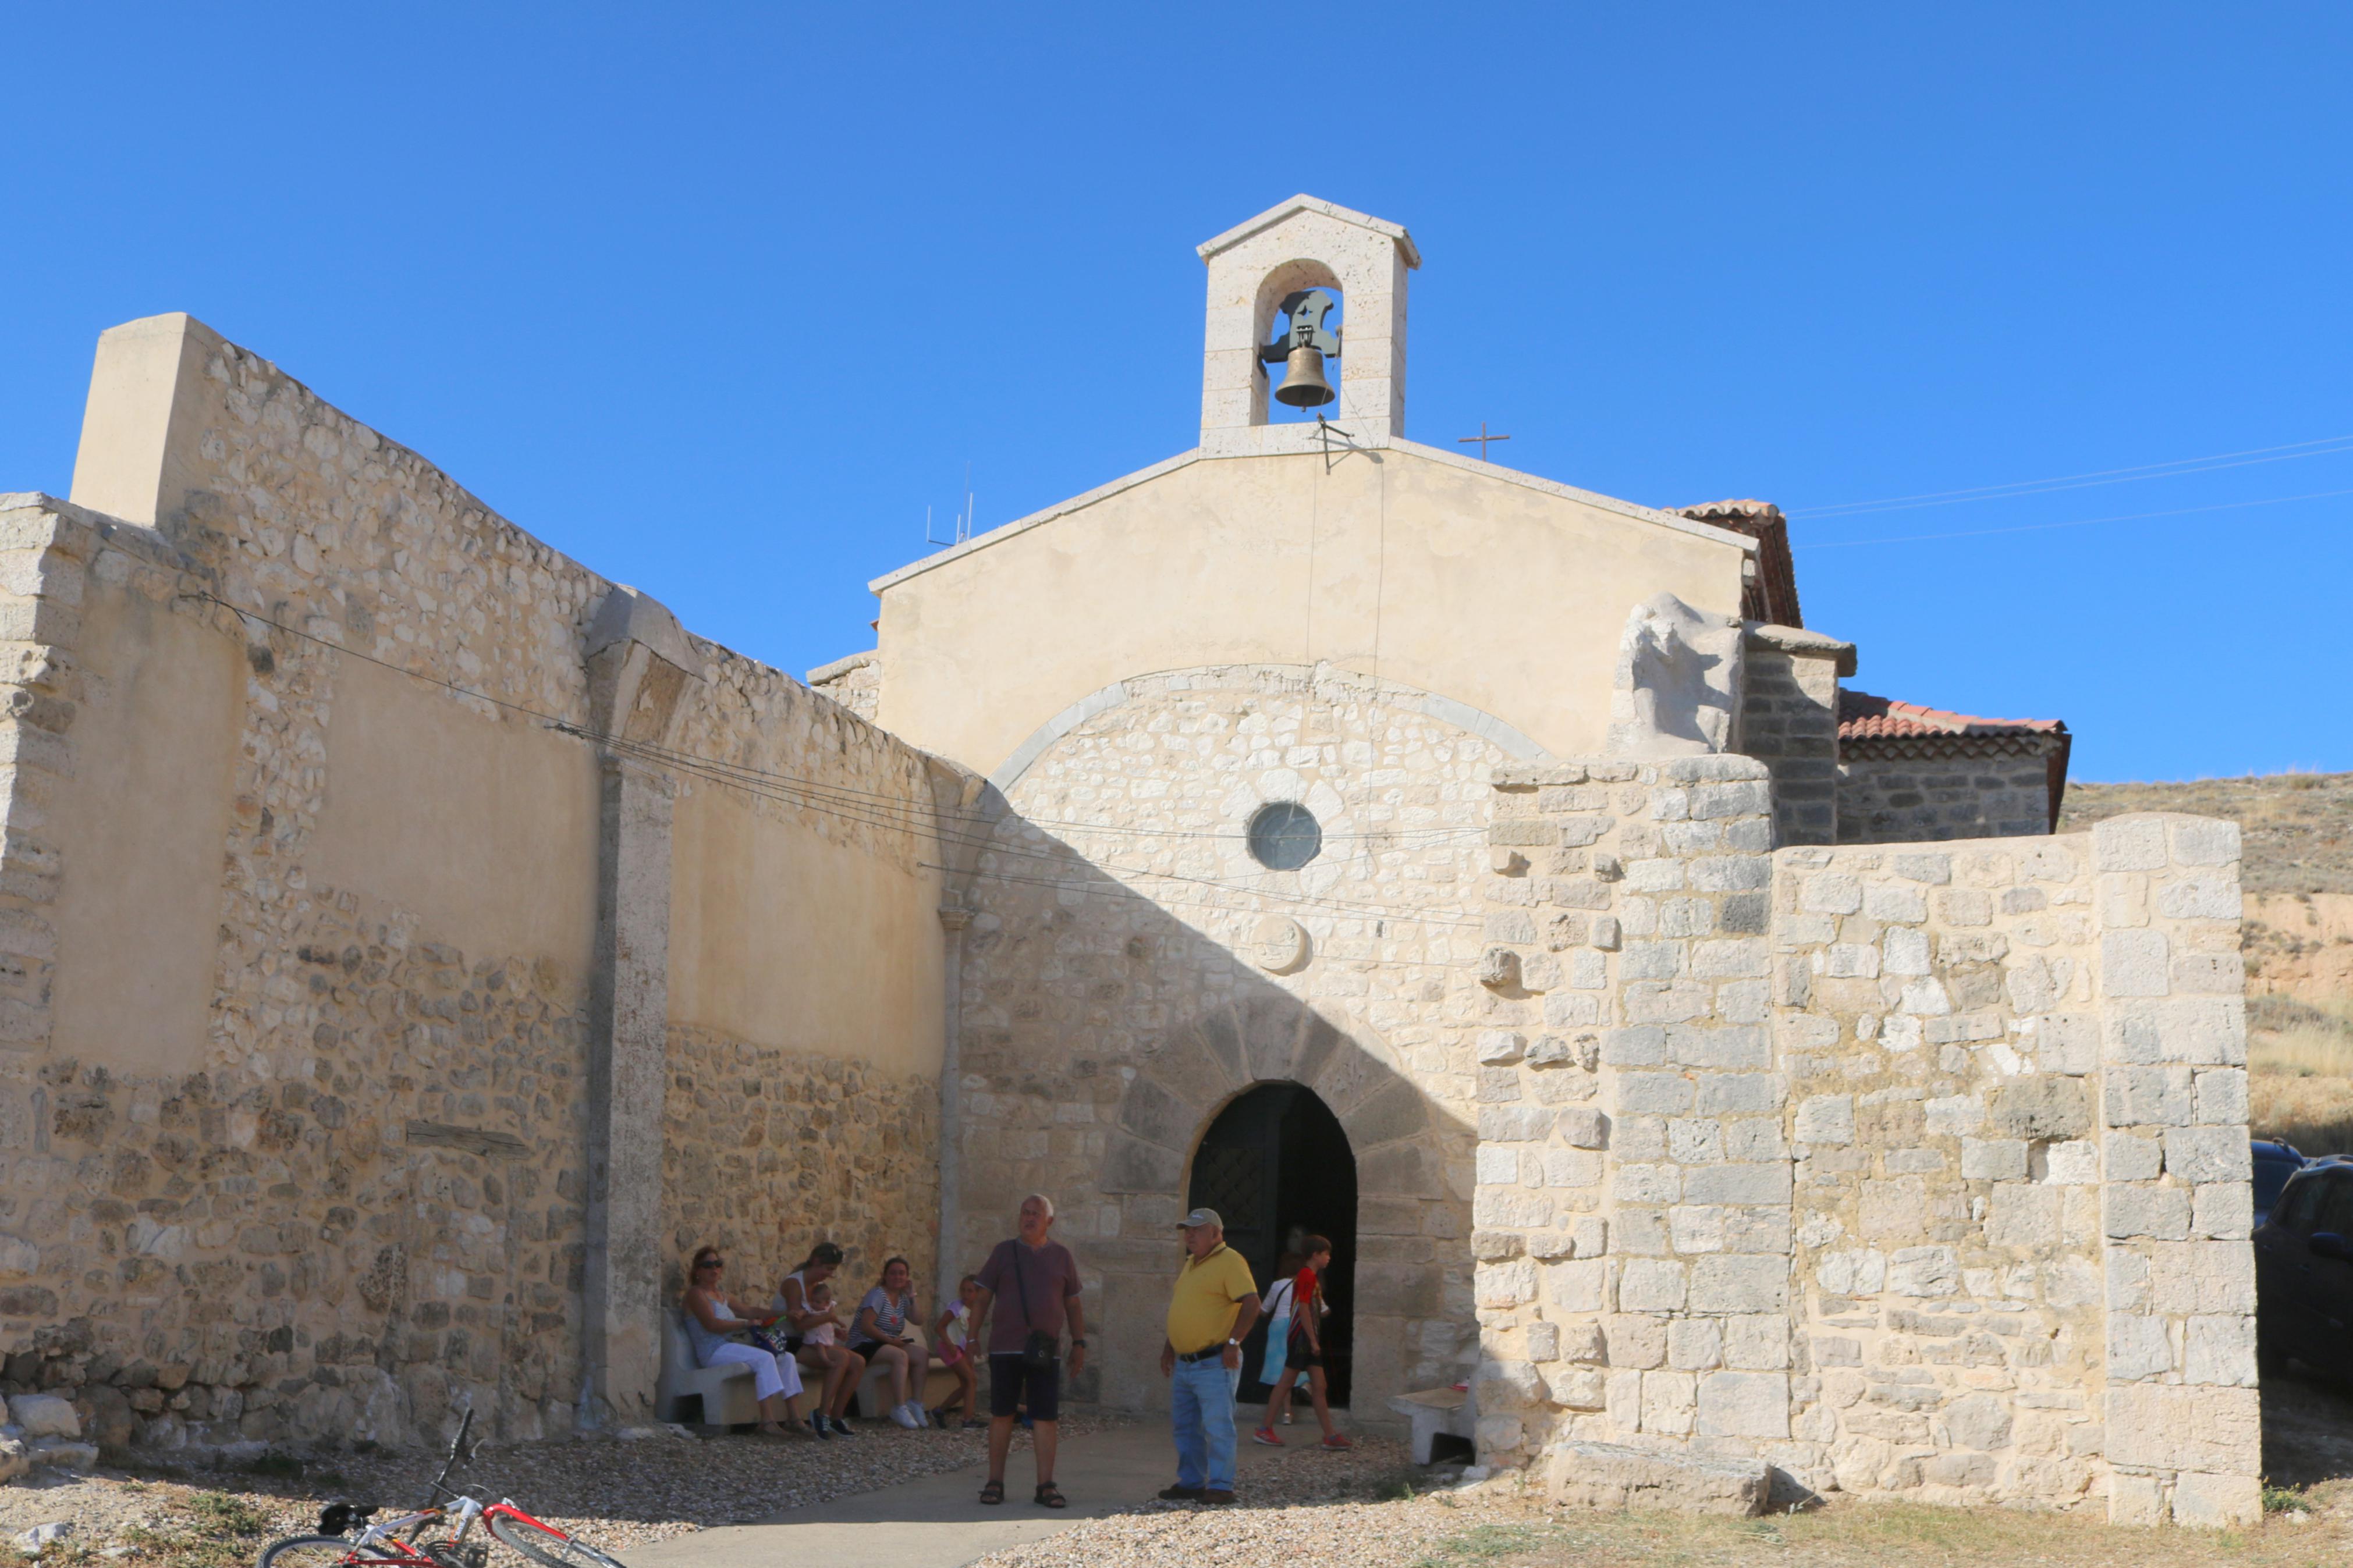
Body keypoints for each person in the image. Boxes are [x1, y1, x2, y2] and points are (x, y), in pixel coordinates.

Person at [969, 1193, 1087, 1509]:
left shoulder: (1062, 1256)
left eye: (1036, 1214)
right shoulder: (1003, 1252)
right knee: (1002, 1414)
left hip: (1045, 1351)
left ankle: (1046, 1485)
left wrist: (1080, 1343)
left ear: (1050, 1221)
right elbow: (982, 1298)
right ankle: (995, 1481)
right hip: (1005, 1348)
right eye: (1025, 1213)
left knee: (1046, 1416)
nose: (1029, 1218)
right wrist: (971, 1337)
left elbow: (1073, 1303)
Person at [1158, 1208, 1261, 1505]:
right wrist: (1169, 1347)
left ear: (1217, 1233)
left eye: (1197, 1230)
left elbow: (1252, 1302)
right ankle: (1191, 1482)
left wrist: (1234, 1341)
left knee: (1218, 1426)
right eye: (1187, 1230)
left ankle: (1221, 1485)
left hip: (1214, 1362)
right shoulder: (1191, 1263)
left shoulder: (1230, 1261)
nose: (1190, 1235)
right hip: (1186, 1363)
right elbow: (1184, 1308)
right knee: (1185, 1426)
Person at [680, 1246, 805, 1437]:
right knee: (764, 1358)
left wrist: (785, 1314)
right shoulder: (696, 1294)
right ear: (697, 1271)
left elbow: (751, 1311)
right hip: (713, 1351)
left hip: (731, 1347)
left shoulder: (723, 1297)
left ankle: (795, 1419)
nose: (714, 1269)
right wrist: (746, 1324)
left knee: (786, 1357)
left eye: (718, 1264)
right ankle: (767, 1422)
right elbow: (711, 1325)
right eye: (707, 1265)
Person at [1254, 1235, 1350, 1449]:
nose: (1329, 1258)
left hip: (1303, 1339)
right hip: (1302, 1340)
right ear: (1315, 1255)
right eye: (1326, 1254)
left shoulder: (1309, 1277)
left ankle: (1330, 1435)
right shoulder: (1306, 1277)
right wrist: (1313, 1340)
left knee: (1318, 1385)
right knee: (1287, 1383)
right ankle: (1265, 1429)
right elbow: (1304, 1308)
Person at [780, 1242, 866, 1438]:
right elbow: (798, 1325)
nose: (830, 1274)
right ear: (816, 1262)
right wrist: (829, 1318)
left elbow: (815, 1322)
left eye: (833, 1270)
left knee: (859, 1362)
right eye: (828, 1269)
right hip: (789, 1341)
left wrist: (833, 1332)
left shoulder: (818, 1288)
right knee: (840, 1359)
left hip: (809, 1341)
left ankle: (836, 1417)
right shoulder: (794, 1284)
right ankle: (822, 1414)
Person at [850, 1256, 928, 1429]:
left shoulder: (901, 1298)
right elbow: (866, 1326)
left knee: (922, 1355)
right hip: (865, 1344)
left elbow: (918, 1319)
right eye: (893, 1273)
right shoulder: (878, 1295)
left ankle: (916, 1403)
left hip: (886, 1344)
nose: (898, 1277)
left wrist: (912, 1296)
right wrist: (891, 1341)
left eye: (902, 1274)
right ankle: (899, 1407)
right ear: (885, 1276)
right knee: (900, 1355)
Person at [929, 1274, 985, 1429]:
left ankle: (940, 1411)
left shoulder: (975, 1312)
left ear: (977, 1293)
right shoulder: (956, 1307)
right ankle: (968, 1420)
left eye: (970, 1291)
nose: (966, 1295)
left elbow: (971, 1335)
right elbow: (939, 1327)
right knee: (972, 1380)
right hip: (949, 1348)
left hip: (961, 1349)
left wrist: (973, 1353)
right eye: (963, 1290)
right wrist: (950, 1345)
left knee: (967, 1385)